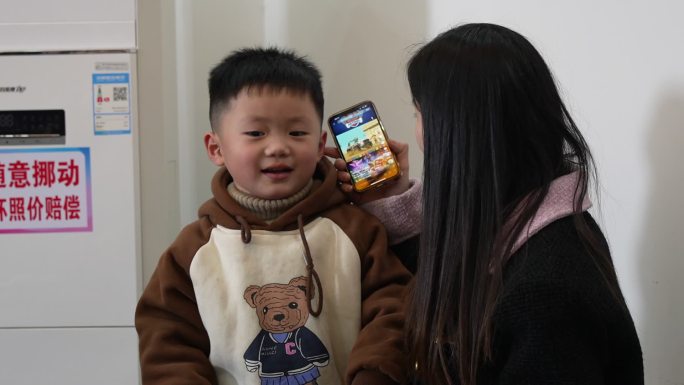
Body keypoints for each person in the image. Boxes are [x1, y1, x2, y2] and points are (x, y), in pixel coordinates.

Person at [328, 23, 643, 384]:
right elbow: (446, 286)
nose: (417, 132)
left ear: (458, 132)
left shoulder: (545, 290)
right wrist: (392, 199)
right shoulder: (517, 226)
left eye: (418, 114)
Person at [135, 47, 412, 385]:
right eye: (256, 133)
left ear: (320, 142)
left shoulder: (357, 231)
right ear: (216, 148)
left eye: (297, 133)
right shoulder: (194, 249)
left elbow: (394, 313)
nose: (278, 146)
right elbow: (169, 342)